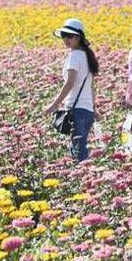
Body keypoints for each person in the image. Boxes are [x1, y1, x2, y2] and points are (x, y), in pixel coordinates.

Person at [44, 18, 99, 163]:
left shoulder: (74, 56)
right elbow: (91, 86)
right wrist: (94, 108)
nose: (66, 39)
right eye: (63, 36)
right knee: (81, 148)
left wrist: (54, 105)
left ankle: (84, 182)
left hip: (77, 109)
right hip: (87, 111)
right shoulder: (88, 56)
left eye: (70, 36)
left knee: (78, 153)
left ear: (78, 37)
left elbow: (70, 83)